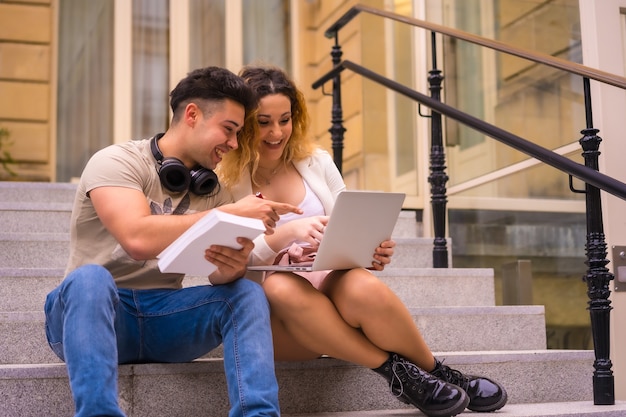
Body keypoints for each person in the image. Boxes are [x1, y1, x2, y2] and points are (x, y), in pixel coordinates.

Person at [217, 65, 508, 417]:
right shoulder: (224, 181)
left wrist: (370, 249)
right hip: (275, 320)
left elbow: (347, 222)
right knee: (280, 286)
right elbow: (223, 266)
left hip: (328, 294)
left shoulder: (316, 162)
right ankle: (397, 373)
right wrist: (286, 234)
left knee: (360, 284)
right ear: (244, 122)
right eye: (263, 122)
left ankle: (435, 372)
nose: (276, 132)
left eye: (285, 119)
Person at [44, 66, 303, 417]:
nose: (233, 143)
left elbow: (217, 278)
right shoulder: (117, 161)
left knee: (246, 293)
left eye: (240, 133)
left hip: (164, 314)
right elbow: (136, 238)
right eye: (229, 129)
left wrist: (232, 267)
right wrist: (226, 216)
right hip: (93, 313)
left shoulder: (213, 191)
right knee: (90, 279)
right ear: (192, 115)